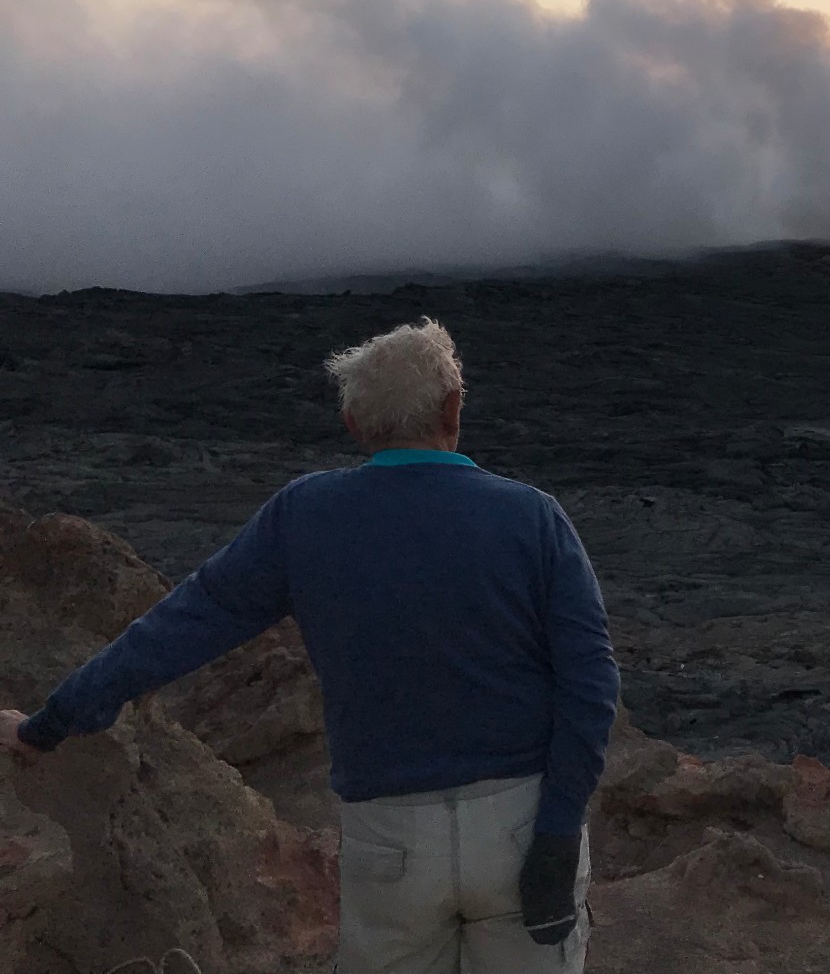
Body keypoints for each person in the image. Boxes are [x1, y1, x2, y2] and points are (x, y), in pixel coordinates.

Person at [0, 317, 618, 973]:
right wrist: (556, 828)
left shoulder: (305, 516)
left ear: (355, 427)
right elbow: (591, 683)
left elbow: (178, 628)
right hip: (521, 830)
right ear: (453, 407)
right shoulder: (532, 518)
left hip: (390, 841)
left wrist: (50, 724)